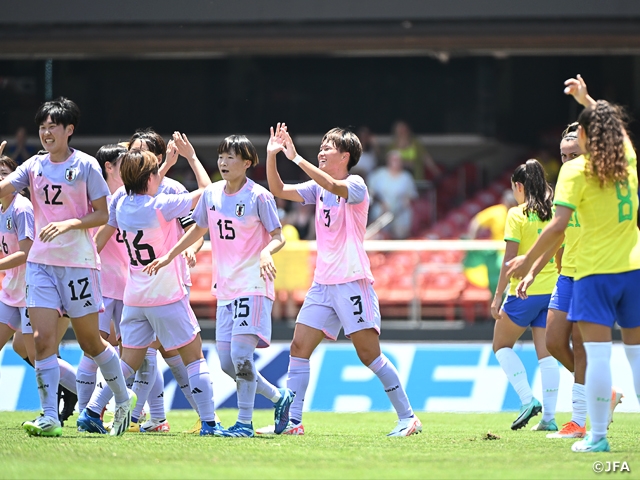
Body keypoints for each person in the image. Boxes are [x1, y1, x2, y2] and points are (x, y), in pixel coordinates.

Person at [259, 123, 421, 437]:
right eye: (320, 145)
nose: (320, 150)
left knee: (368, 354)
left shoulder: (356, 184)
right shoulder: (317, 187)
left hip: (351, 281)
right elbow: (278, 190)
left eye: (327, 147)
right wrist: (272, 155)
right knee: (298, 347)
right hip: (322, 284)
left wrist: (296, 159)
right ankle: (292, 422)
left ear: (345, 156)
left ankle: (408, 417)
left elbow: (334, 187)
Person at [508, 76, 640, 453]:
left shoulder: (575, 174)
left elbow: (557, 226)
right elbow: (613, 131)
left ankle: (596, 436)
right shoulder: (627, 159)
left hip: (593, 274)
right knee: (634, 356)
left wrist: (526, 260)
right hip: (631, 268)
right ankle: (590, 420)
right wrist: (587, 100)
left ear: (582, 136)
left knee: (596, 356)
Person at [145, 135, 295, 438]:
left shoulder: (259, 196)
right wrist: (170, 255)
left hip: (252, 285)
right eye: (221, 157)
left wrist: (266, 251)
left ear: (247, 163)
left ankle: (244, 423)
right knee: (228, 363)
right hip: (224, 289)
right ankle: (280, 398)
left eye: (231, 158)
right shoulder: (211, 193)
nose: (224, 163)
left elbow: (278, 235)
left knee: (241, 356)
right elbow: (197, 229)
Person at [0, 97, 132, 437]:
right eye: (41, 127)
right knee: (41, 341)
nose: (45, 132)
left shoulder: (86, 166)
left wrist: (71, 224)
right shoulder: (32, 165)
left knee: (91, 342)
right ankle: (49, 416)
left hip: (78, 265)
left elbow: (103, 214)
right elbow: (3, 189)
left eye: (52, 126)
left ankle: (122, 398)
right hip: (40, 264)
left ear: (68, 130)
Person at [80, 148, 222, 436]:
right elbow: (208, 191)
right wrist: (192, 158)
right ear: (149, 178)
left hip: (135, 296)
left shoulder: (120, 202)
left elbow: (107, 232)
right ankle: (210, 423)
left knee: (127, 363)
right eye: (156, 172)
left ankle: (92, 411)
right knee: (194, 357)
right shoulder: (161, 205)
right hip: (166, 294)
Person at [490, 159, 560, 431]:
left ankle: (527, 399)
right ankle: (550, 418)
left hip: (524, 293)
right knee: (546, 355)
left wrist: (498, 296)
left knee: (501, 345)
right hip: (552, 289)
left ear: (519, 186)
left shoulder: (517, 214)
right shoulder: (555, 212)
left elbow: (510, 259)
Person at [73, 144, 128, 414]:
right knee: (93, 350)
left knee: (133, 353)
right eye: (124, 162)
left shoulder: (132, 196)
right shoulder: (97, 202)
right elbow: (93, 243)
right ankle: (87, 411)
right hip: (102, 286)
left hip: (129, 287)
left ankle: (140, 414)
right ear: (109, 166)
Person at [464, 190, 518, 295]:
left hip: (517, 252)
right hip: (499, 253)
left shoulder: (520, 213)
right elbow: (477, 221)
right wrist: (472, 239)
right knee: (496, 282)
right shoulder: (496, 212)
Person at [368, 150, 418, 239]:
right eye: (393, 159)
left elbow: (411, 196)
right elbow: (370, 192)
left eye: (398, 160)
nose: (395, 162)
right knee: (375, 236)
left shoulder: (407, 177)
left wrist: (405, 202)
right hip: (380, 212)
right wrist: (381, 203)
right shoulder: (378, 174)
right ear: (388, 160)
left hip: (400, 213)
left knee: (400, 235)